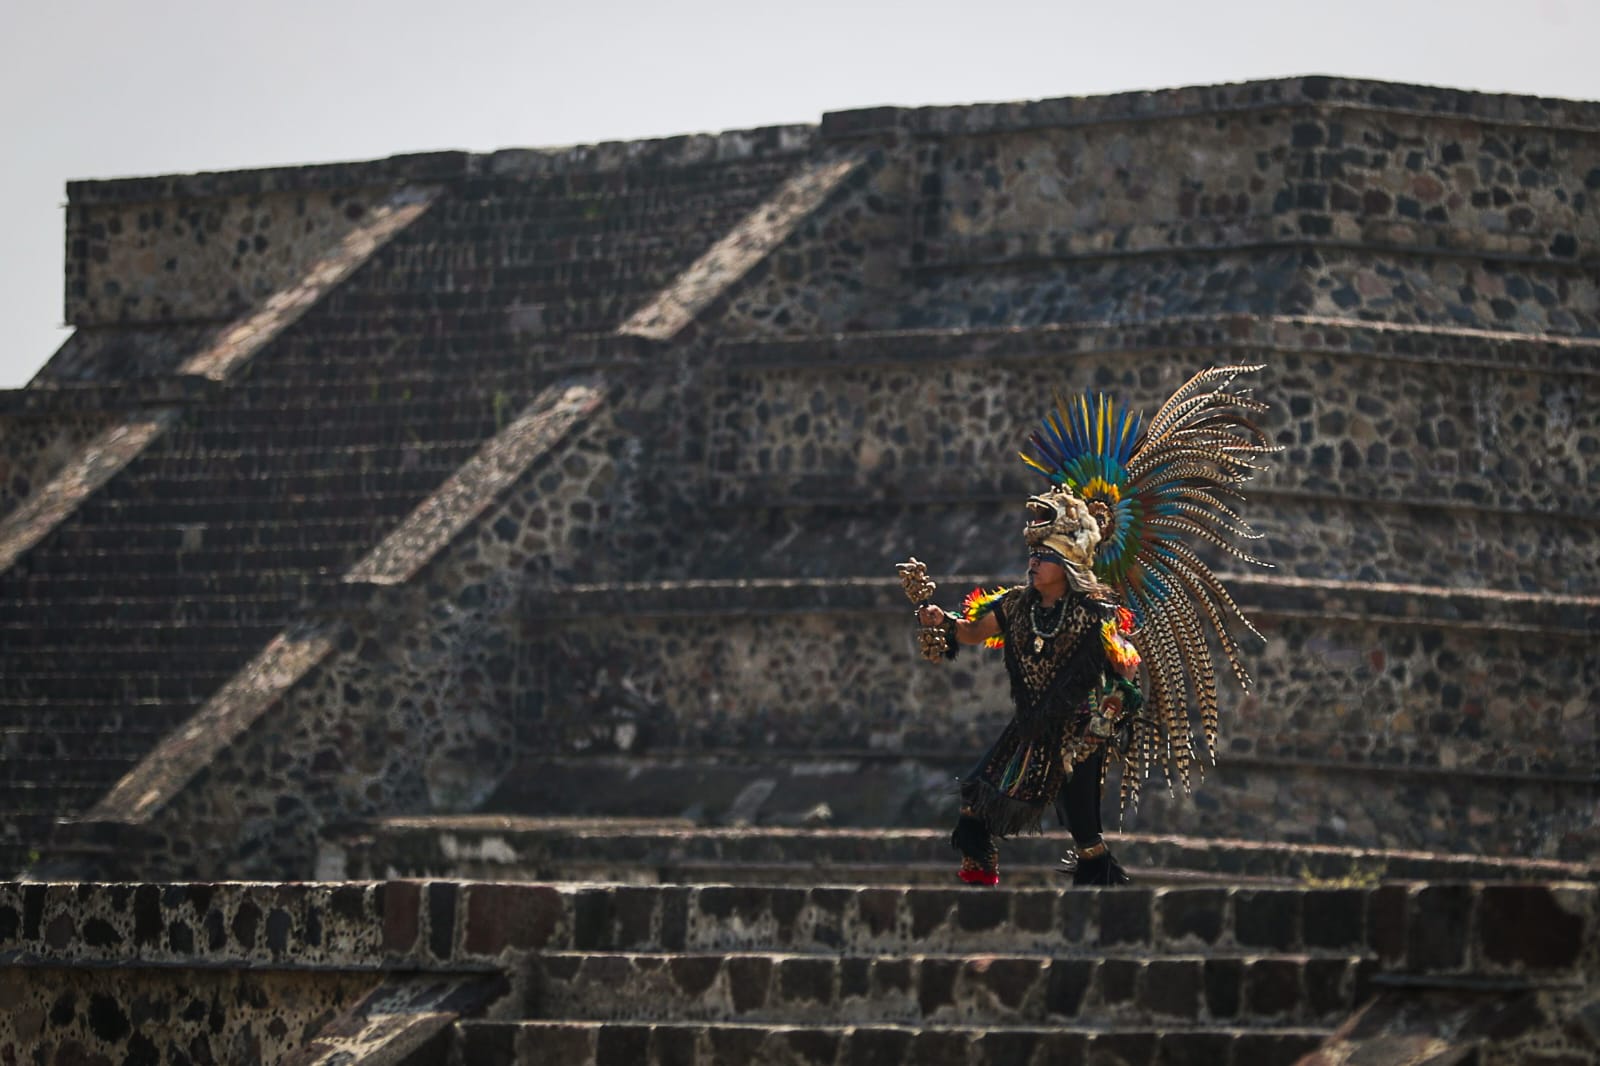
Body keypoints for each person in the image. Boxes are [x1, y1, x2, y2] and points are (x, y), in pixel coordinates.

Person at [898, 366, 1277, 887]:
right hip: (1034, 721)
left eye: (1045, 555)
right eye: (1032, 553)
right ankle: (984, 877)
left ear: (1070, 562)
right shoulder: (1014, 606)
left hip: (1078, 729)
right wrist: (940, 620)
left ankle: (1098, 889)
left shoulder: (1094, 614)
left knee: (1083, 824)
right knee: (977, 797)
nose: (1033, 563)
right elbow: (969, 632)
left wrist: (1103, 715)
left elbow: (1124, 670)